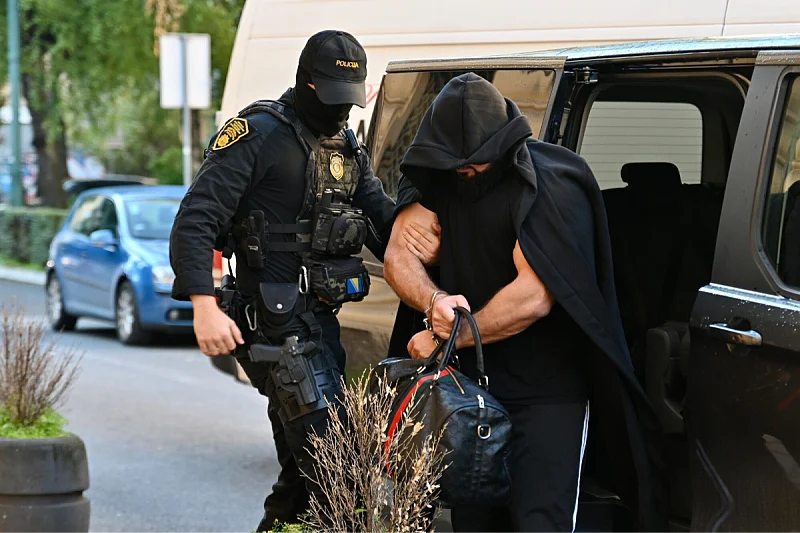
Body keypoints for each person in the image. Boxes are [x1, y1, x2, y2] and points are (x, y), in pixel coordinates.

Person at [169, 30, 436, 531]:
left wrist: (439, 278)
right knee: (338, 471)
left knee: (302, 479)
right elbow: (196, 218)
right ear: (306, 82)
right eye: (333, 97)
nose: (342, 110)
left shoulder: (346, 146)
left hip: (320, 326)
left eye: (349, 100)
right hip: (273, 330)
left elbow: (385, 223)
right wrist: (203, 304)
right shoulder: (257, 134)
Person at [383, 73, 666, 532]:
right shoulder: (438, 179)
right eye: (454, 164)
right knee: (474, 524)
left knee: (540, 522)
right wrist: (434, 300)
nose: (464, 172)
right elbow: (399, 255)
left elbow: (533, 298)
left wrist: (448, 338)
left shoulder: (549, 184)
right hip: (467, 394)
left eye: (474, 163)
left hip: (546, 395)